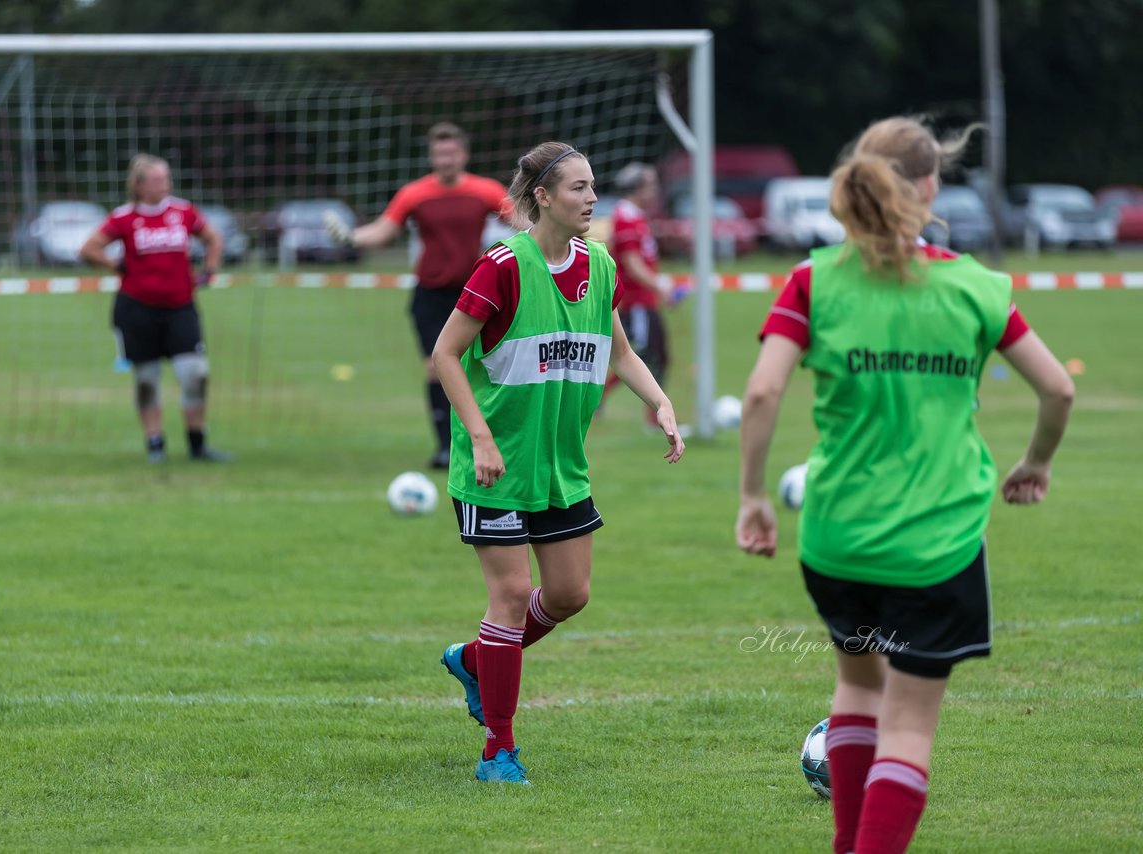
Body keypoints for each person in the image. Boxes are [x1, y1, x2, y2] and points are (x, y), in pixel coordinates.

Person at [735, 117, 1074, 854]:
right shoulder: (977, 287)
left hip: (837, 537)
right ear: (930, 185)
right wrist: (1036, 462)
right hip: (939, 546)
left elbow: (762, 395)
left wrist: (754, 496)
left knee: (857, 692)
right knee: (910, 726)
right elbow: (1058, 391)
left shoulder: (812, 279)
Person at [431, 142, 686, 785]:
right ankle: (500, 750)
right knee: (513, 595)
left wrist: (659, 402)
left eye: (593, 186)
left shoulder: (600, 265)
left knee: (570, 595)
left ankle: (473, 659)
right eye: (577, 188)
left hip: (561, 466)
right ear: (542, 197)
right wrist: (481, 438)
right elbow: (444, 356)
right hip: (497, 466)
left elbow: (620, 352)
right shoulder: (502, 266)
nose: (591, 198)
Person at [325, 122, 511, 469]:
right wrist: (351, 238)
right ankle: (445, 447)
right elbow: (383, 230)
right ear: (432, 156)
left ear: (463, 155)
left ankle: (485, 440)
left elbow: (521, 220)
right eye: (440, 153)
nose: (446, 159)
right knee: (436, 368)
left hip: (475, 293)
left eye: (452, 152)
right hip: (430, 294)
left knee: (482, 370)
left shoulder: (484, 190)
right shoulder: (415, 194)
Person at [79, 154, 230, 463]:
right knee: (147, 378)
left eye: (167, 179)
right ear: (140, 184)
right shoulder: (124, 218)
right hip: (137, 309)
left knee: (195, 373)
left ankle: (197, 444)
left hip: (180, 307)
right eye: (158, 180)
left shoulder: (184, 212)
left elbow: (213, 238)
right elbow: (88, 248)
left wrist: (209, 269)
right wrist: (112, 263)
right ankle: (155, 444)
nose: (166, 184)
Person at [606, 162, 670, 425]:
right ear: (636, 188)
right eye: (650, 185)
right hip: (636, 302)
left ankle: (652, 414)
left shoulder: (636, 216)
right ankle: (654, 417)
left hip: (643, 300)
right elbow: (632, 264)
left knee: (649, 354)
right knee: (648, 355)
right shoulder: (627, 218)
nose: (654, 191)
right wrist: (660, 285)